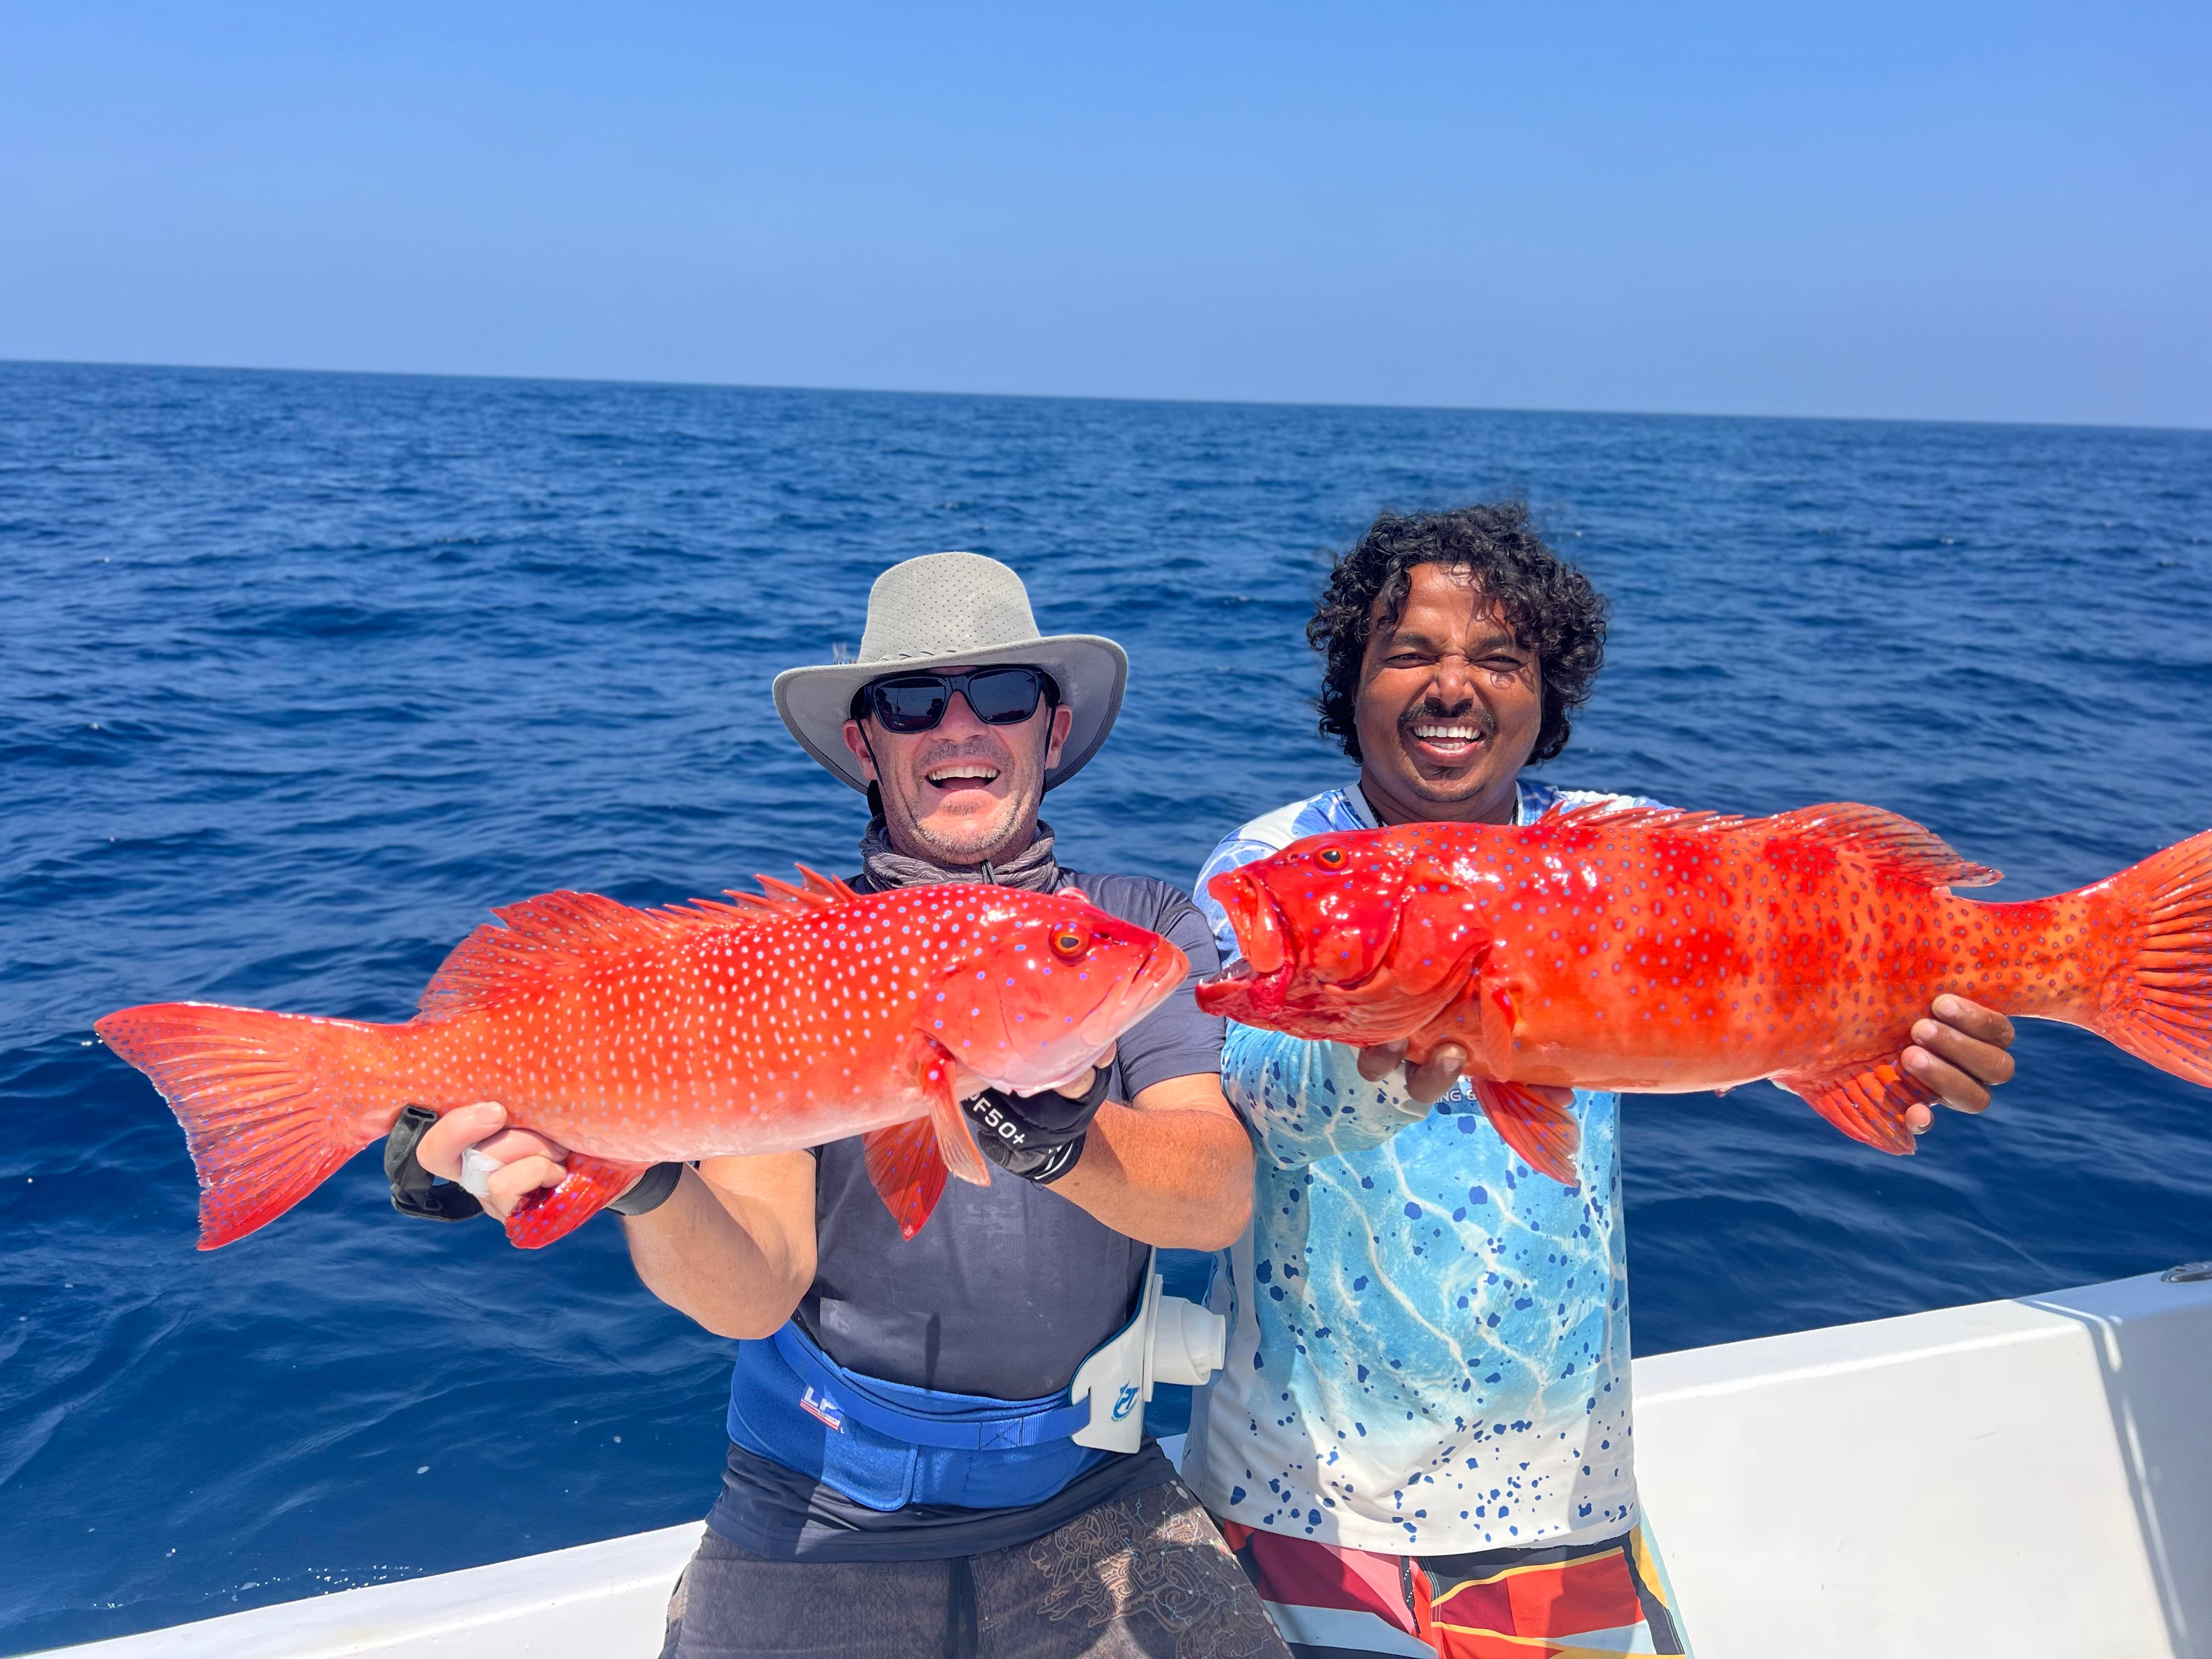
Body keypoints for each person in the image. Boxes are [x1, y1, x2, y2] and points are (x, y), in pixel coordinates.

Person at [401, 552, 1291, 1658]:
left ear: (1052, 729)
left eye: (1002, 696)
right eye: (914, 703)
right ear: (867, 744)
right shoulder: (776, 961)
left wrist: (1070, 1145)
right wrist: (640, 1172)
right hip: (811, 1511)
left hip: (1090, 1499)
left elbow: (1214, 1197)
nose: (959, 730)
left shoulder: (1137, 923)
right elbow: (751, 1287)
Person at [1182, 506, 2019, 1659]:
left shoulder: (1623, 845)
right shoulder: (1275, 865)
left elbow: (1747, 1006)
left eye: (1498, 658)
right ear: (1354, 681)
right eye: (1410, 653)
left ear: (1546, 693)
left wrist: (1896, 1053)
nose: (1452, 686)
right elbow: (1263, 1089)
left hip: (1562, 1496)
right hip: (1299, 1498)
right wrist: (1399, 1055)